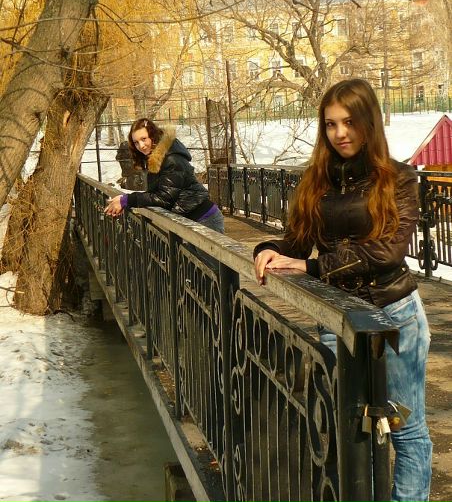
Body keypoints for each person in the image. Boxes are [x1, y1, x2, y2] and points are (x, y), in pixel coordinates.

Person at [253, 79, 432, 502]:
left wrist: (315, 267)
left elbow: (387, 252)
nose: (340, 133)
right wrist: (268, 249)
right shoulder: (316, 182)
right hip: (339, 319)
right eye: (331, 124)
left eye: (349, 122)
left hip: (394, 315)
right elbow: (296, 243)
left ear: (368, 122)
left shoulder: (399, 178)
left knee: (406, 431)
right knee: (350, 433)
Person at [105, 118, 224, 234]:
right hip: (189, 220)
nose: (141, 145)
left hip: (204, 218)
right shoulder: (155, 159)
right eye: (136, 142)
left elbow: (165, 197)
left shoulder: (171, 158)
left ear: (153, 136)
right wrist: (125, 201)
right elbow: (157, 193)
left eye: (144, 139)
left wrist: (128, 200)